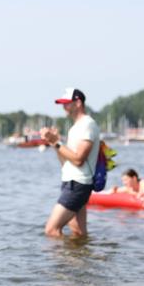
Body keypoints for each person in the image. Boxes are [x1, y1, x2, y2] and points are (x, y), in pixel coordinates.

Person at [39, 88, 101, 238]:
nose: (63, 107)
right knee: (78, 233)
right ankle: (81, 260)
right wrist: (54, 143)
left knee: (51, 230)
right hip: (71, 182)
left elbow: (78, 159)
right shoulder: (75, 128)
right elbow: (66, 162)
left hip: (78, 184)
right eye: (62, 103)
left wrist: (56, 142)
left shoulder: (87, 124)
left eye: (67, 103)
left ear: (78, 103)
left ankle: (63, 262)